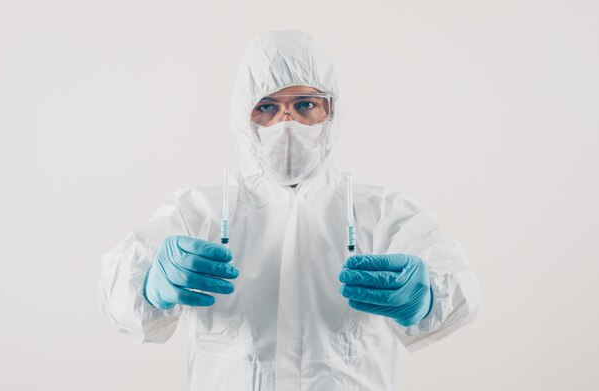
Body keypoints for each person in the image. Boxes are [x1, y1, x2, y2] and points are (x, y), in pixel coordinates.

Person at [98, 30, 481, 391]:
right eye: (267, 106)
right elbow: (117, 295)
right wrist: (151, 285)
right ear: (244, 117)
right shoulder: (199, 210)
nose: (287, 122)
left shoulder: (379, 213)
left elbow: (462, 288)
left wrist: (429, 296)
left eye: (305, 105)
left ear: (331, 113)